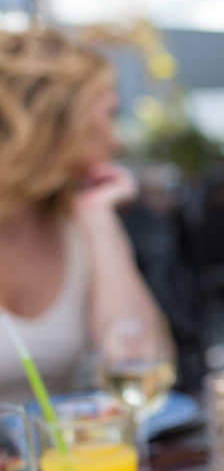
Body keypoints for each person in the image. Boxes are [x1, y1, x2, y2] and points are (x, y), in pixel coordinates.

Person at [0, 28, 165, 402]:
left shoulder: (75, 222)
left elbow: (141, 367)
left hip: (65, 459)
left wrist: (98, 217)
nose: (117, 140)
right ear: (59, 123)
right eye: (111, 114)